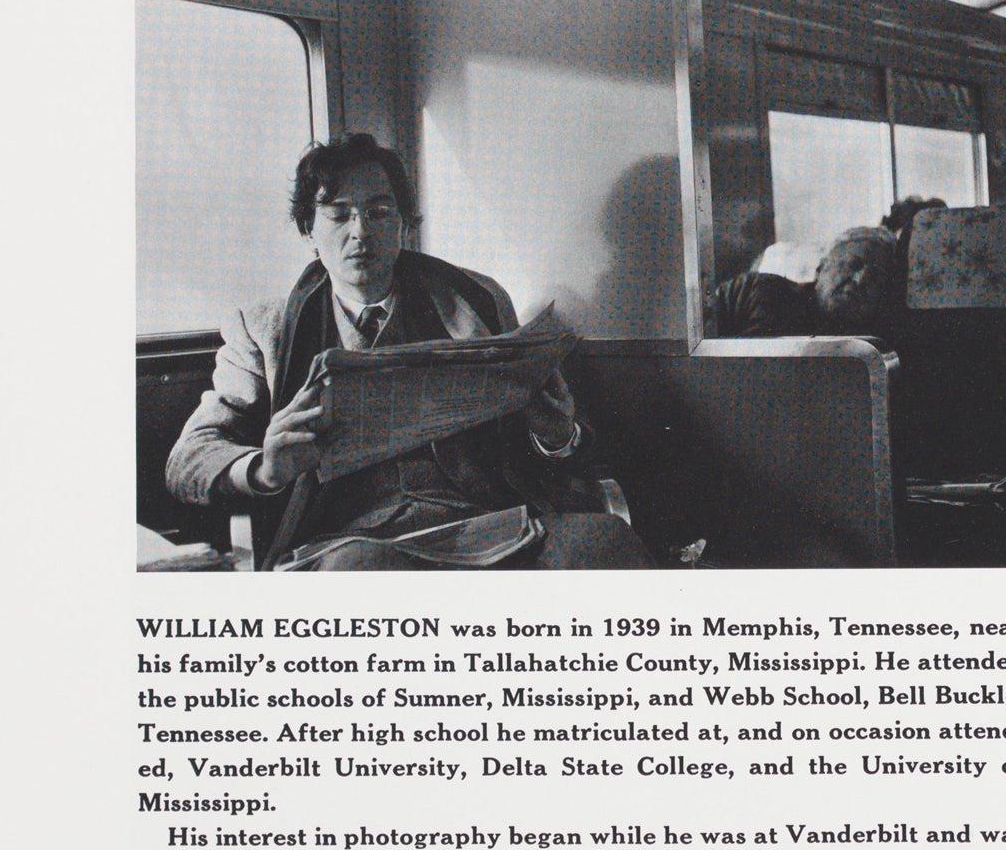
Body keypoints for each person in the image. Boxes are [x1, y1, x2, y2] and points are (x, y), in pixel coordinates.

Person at [164, 134, 652, 571]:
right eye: (339, 214)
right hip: (351, 539)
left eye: (379, 212)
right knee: (366, 572)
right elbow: (188, 458)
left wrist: (556, 435)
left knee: (603, 540)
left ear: (403, 224)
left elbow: (549, 448)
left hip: (487, 523)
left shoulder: (479, 301)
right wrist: (265, 470)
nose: (360, 231)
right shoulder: (261, 329)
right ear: (308, 229)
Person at [707, 224, 900, 338]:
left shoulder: (872, 352)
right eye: (853, 264)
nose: (861, 280)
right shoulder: (752, 291)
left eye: (876, 278)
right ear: (821, 266)